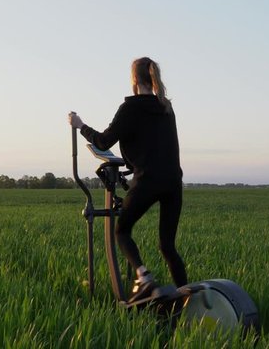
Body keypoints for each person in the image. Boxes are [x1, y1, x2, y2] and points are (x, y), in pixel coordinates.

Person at [68, 57, 188, 303]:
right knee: (167, 245)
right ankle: (189, 298)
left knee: (121, 231)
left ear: (134, 79)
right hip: (174, 182)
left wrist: (80, 125)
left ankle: (144, 278)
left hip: (148, 180)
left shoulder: (130, 108)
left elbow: (102, 142)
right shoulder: (166, 107)